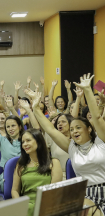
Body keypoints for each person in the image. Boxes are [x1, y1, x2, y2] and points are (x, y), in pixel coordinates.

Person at [30, 73, 105, 215]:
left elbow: (97, 117)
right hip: (86, 194)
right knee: (83, 210)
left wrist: (88, 90)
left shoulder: (101, 141)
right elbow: (51, 130)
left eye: (78, 128)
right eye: (71, 129)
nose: (74, 131)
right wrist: (35, 108)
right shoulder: (72, 147)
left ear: (89, 129)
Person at [11, 129, 63, 216]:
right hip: (26, 205)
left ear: (39, 141)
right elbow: (14, 190)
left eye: (28, 140)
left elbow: (54, 192)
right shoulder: (21, 164)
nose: (25, 144)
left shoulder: (53, 162)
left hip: (47, 205)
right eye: (23, 142)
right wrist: (20, 205)